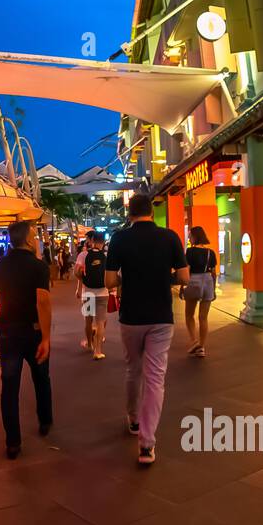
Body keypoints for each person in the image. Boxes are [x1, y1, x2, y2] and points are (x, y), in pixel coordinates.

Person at [105, 193, 188, 466]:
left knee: (133, 369)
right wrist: (164, 277)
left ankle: (133, 419)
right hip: (161, 317)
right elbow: (184, 275)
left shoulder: (119, 239)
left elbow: (109, 281)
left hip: (131, 316)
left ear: (129, 213)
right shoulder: (169, 237)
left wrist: (126, 276)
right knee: (155, 379)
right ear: (151, 211)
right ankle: (147, 444)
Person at [0, 219, 53, 460]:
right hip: (32, 331)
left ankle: (12, 441)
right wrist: (46, 337)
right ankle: (45, 421)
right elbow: (43, 302)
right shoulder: (38, 266)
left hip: (7, 333)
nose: (36, 239)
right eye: (34, 235)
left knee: (10, 386)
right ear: (26, 239)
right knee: (41, 378)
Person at [183, 226, 218, 357]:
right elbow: (214, 273)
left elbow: (187, 270)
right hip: (208, 281)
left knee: (189, 315)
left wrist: (182, 286)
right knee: (203, 317)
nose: (189, 237)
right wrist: (213, 289)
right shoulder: (211, 252)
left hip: (194, 281)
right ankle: (202, 347)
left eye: (190, 235)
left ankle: (194, 341)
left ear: (195, 237)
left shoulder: (190, 252)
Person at [76, 230, 110, 361]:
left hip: (88, 292)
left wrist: (81, 281)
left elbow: (77, 273)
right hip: (103, 292)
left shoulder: (84, 255)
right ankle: (98, 351)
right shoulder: (107, 255)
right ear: (103, 242)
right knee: (100, 322)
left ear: (92, 241)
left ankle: (89, 344)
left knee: (88, 320)